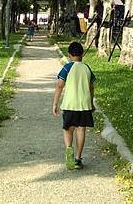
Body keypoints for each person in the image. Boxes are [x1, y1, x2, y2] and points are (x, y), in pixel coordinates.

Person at [52, 41, 96, 170]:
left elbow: (60, 85)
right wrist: (91, 102)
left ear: (69, 54)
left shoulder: (67, 67)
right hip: (84, 104)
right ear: (82, 54)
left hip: (70, 104)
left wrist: (55, 103)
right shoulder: (87, 68)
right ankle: (78, 158)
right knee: (81, 130)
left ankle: (69, 152)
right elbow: (91, 86)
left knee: (68, 129)